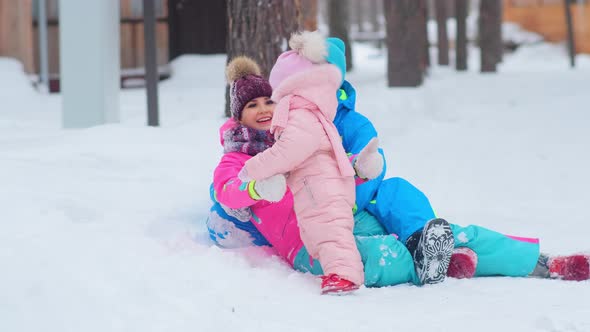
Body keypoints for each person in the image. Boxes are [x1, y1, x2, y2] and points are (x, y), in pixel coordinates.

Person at [212, 54, 422, 294]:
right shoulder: (236, 158)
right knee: (381, 256)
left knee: (396, 229)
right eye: (252, 105)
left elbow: (328, 170)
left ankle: (447, 252)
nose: (263, 109)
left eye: (268, 101)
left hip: (339, 221)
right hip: (303, 243)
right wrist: (255, 188)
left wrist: (358, 168)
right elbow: (226, 190)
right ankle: (422, 266)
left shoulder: (297, 136)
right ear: (238, 116)